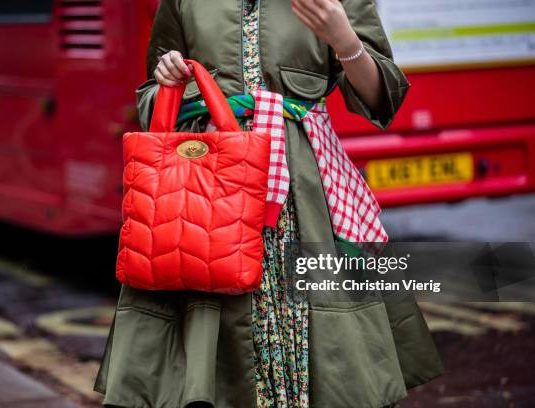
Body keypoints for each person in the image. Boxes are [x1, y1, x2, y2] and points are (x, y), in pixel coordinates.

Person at [94, 1, 444, 407]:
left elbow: (383, 99)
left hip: (305, 189)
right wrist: (167, 78)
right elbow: (150, 98)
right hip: (209, 191)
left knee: (329, 352)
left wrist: (343, 38)